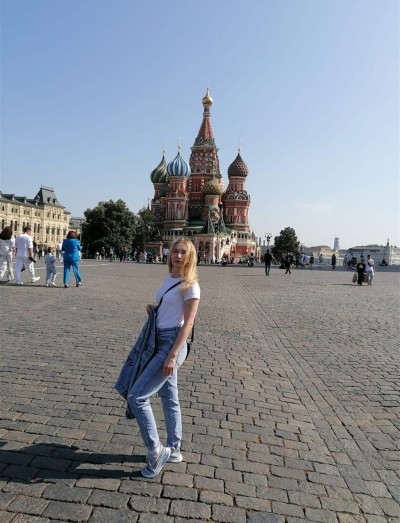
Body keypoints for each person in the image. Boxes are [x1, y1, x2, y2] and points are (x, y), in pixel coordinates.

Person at [116, 237, 200, 478]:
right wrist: (155, 309)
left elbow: (188, 324)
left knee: (137, 395)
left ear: (190, 256)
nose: (179, 256)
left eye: (184, 252)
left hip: (171, 344)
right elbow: (169, 307)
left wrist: (172, 356)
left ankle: (156, 451)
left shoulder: (190, 285)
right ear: (169, 253)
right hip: (157, 338)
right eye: (176, 251)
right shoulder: (168, 279)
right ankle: (174, 449)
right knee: (169, 397)